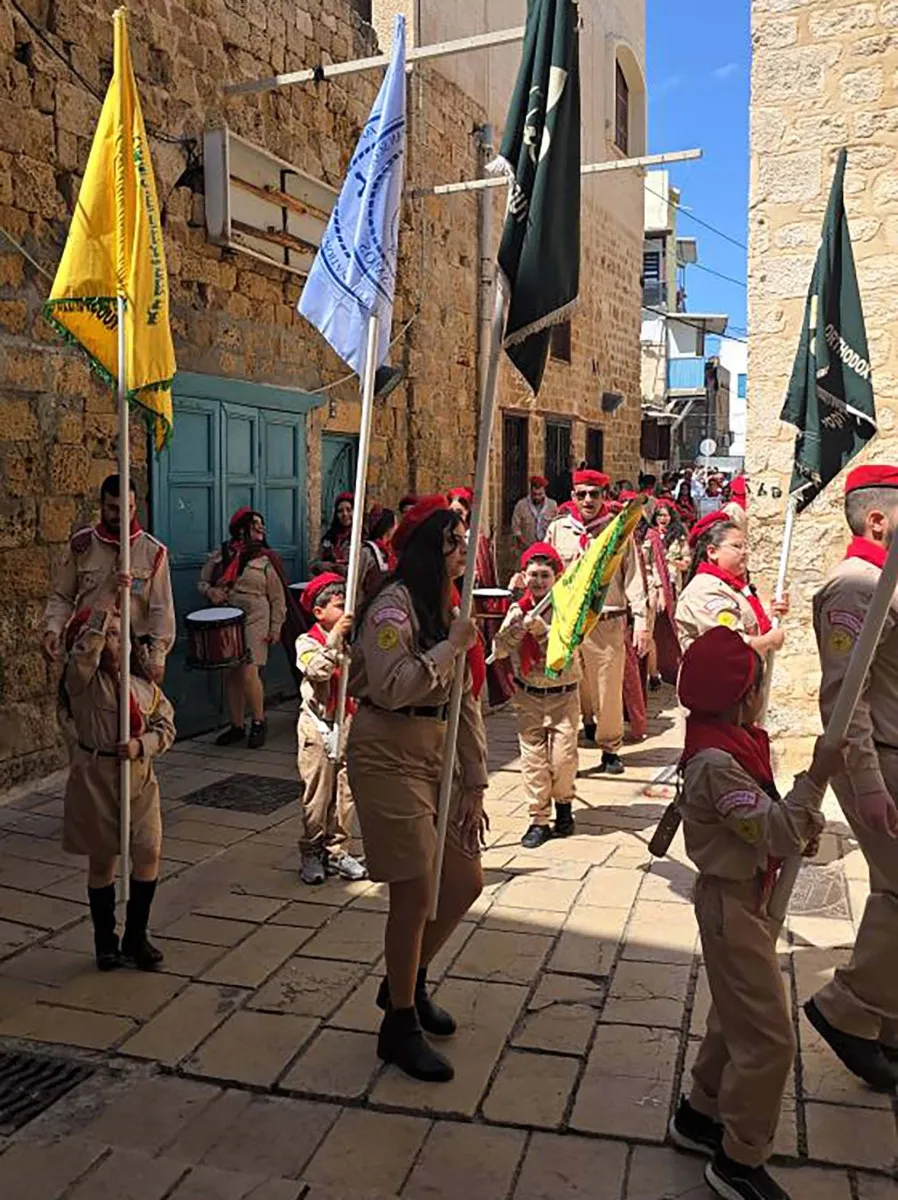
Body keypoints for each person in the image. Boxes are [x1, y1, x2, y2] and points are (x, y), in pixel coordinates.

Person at [667, 626, 843, 1200]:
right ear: (744, 696)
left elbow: (772, 827)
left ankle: (701, 1113)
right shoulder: (717, 765)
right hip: (732, 904)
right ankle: (738, 1160)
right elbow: (777, 831)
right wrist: (817, 776)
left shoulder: (728, 746)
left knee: (736, 1015)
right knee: (769, 1040)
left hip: (744, 898)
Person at [346, 496, 487, 1083]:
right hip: (387, 750)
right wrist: (451, 645)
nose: (463, 553)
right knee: (415, 888)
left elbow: (465, 699)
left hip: (435, 751)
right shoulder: (393, 608)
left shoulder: (445, 603)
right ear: (431, 548)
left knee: (464, 879)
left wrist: (476, 778)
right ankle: (399, 1026)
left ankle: (405, 979)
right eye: (454, 543)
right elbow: (395, 686)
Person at [803, 465, 898, 1092]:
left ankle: (886, 1025)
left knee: (892, 891)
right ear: (878, 520)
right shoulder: (856, 586)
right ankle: (847, 1008)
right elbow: (844, 699)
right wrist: (867, 783)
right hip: (883, 760)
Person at [61, 607, 175, 972]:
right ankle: (105, 942)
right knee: (103, 859)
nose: (115, 642)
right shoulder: (82, 682)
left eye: (119, 634)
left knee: (148, 850)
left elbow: (166, 725)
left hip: (139, 777)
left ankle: (136, 937)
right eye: (108, 635)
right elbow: (83, 656)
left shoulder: (141, 685)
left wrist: (143, 745)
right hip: (97, 777)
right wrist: (102, 613)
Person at [547, 469, 649, 774]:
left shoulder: (617, 532)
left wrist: (641, 620)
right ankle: (583, 725)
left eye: (594, 494)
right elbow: (549, 570)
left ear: (604, 496)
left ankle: (610, 748)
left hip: (607, 621)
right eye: (582, 494)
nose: (588, 500)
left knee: (607, 686)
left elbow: (633, 576)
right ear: (573, 496)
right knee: (572, 682)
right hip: (569, 622)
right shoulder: (559, 530)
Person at [43, 475, 175, 685]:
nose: (121, 516)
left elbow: (161, 609)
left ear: (135, 507)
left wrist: (158, 657)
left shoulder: (152, 552)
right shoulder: (83, 547)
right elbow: (63, 596)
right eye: (113, 508)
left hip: (133, 653)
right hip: (89, 650)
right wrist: (54, 628)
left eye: (128, 508)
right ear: (102, 506)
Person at [493, 542, 579, 849]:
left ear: (556, 577)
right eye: (533, 575)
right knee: (533, 760)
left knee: (562, 758)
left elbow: (568, 653)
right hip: (529, 695)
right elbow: (499, 650)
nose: (539, 581)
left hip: (562, 695)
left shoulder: (568, 610)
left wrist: (543, 632)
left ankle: (564, 804)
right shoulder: (518, 610)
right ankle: (538, 819)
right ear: (523, 576)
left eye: (545, 575)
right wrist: (513, 632)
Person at [294, 573, 367, 885]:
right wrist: (334, 639)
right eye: (339, 606)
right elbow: (317, 670)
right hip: (318, 724)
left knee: (345, 792)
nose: (346, 612)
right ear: (319, 612)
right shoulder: (307, 641)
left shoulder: (355, 640)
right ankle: (311, 851)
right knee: (317, 793)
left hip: (348, 720)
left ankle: (338, 850)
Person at [198, 508, 287, 749]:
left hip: (257, 618)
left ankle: (259, 721)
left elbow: (278, 598)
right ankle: (237, 726)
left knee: (249, 671)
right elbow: (202, 581)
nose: (261, 527)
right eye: (255, 523)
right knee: (232, 674)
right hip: (230, 618)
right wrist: (211, 591)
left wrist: (276, 627)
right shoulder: (223, 554)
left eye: (262, 523)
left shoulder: (266, 559)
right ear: (241, 529)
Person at [676, 513, 786, 656]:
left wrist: (771, 616)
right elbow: (728, 646)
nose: (744, 552)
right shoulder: (705, 590)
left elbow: (745, 629)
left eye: (745, 546)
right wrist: (768, 641)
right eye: (737, 546)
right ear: (712, 552)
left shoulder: (733, 588)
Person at [447, 485, 516, 707]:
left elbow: (485, 574)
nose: (456, 515)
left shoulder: (476, 539)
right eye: (452, 511)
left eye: (459, 512)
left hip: (470, 601)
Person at [644, 500, 686, 689]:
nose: (662, 518)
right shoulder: (649, 535)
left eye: (665, 515)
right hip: (653, 587)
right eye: (659, 515)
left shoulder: (678, 536)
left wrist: (669, 561)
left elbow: (686, 562)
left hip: (672, 586)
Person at [357, 506, 398, 603]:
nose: (397, 527)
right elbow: (357, 582)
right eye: (396, 524)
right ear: (388, 527)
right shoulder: (367, 552)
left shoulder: (392, 552)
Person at [510, 475, 558, 553]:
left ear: (544, 491)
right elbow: (516, 529)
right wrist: (527, 545)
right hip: (525, 549)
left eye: (540, 494)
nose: (537, 497)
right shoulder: (521, 505)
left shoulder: (552, 505)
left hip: (546, 549)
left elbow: (557, 527)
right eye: (534, 494)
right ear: (530, 491)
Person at [317, 491, 355, 572]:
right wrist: (324, 566)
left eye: (349, 510)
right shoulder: (329, 537)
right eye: (340, 511)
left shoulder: (362, 536)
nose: (345, 514)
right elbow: (316, 562)